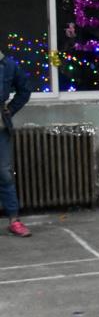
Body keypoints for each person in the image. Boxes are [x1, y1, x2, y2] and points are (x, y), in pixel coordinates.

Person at [1, 49, 32, 237]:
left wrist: (10, 109)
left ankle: (14, 220)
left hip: (0, 129)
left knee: (4, 174)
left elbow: (25, 90)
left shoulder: (8, 65)